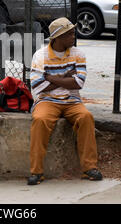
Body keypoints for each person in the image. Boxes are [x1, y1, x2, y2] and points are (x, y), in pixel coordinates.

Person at [27, 17, 102, 185]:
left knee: (86, 118)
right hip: (47, 100)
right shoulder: (41, 56)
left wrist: (51, 78)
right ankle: (36, 172)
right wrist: (64, 77)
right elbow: (38, 86)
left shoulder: (78, 54)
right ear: (58, 37)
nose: (73, 37)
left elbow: (78, 83)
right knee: (40, 120)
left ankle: (89, 168)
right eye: (69, 34)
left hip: (72, 100)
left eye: (73, 33)